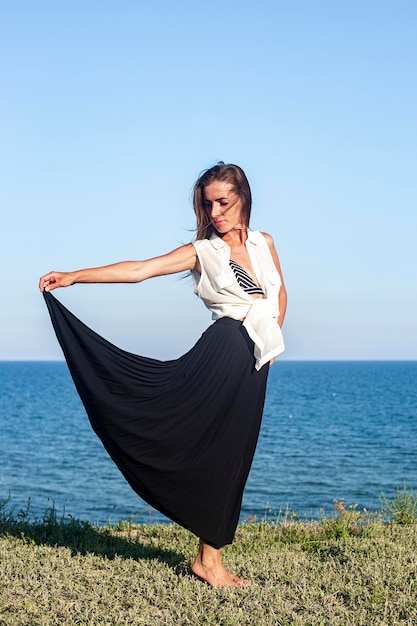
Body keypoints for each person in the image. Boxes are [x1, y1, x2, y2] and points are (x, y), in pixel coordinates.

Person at [39, 162, 287, 587]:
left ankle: (209, 560)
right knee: (210, 448)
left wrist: (274, 338)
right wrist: (76, 276)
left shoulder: (264, 242)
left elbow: (278, 294)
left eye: (223, 202)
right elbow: (140, 270)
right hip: (222, 355)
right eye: (207, 205)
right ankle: (209, 562)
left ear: (243, 197)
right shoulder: (203, 252)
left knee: (235, 456)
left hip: (255, 361)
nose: (215, 213)